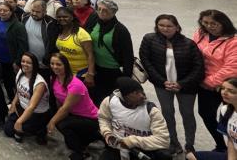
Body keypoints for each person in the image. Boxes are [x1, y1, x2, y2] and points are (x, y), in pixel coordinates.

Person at [139, 14, 205, 156]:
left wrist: (181, 84)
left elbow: (198, 67)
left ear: (177, 27)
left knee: (187, 115)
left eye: (169, 26)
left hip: (186, 87)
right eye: (161, 25)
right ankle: (173, 143)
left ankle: (190, 145)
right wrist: (162, 81)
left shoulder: (188, 44)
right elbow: (146, 61)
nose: (165, 28)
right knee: (167, 113)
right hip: (162, 85)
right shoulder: (149, 39)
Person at [193, 10, 237, 152]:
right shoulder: (200, 33)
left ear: (223, 23)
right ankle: (222, 145)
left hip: (225, 86)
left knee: (228, 116)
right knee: (206, 114)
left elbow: (231, 68)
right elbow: (192, 52)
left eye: (214, 23)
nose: (209, 26)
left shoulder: (233, 41)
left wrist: (207, 82)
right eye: (205, 22)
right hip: (203, 83)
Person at [97, 77, 172, 160]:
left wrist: (131, 141)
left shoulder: (151, 111)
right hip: (117, 147)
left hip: (142, 149)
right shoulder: (109, 101)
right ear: (125, 97)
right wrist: (107, 133)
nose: (142, 96)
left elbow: (163, 140)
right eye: (136, 93)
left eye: (141, 91)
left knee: (165, 155)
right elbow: (103, 119)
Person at [47, 52, 102, 160]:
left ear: (65, 66)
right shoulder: (54, 79)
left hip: (91, 118)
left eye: (58, 64)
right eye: (52, 63)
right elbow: (59, 101)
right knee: (64, 128)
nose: (54, 67)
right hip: (75, 114)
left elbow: (65, 108)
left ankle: (83, 153)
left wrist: (52, 122)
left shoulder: (75, 84)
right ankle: (83, 141)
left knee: (61, 124)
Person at [88, 0, 134, 105]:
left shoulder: (120, 30)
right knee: (97, 99)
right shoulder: (94, 21)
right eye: (99, 9)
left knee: (113, 101)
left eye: (105, 10)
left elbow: (128, 56)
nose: (101, 12)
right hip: (97, 69)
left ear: (113, 13)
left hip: (114, 72)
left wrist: (126, 79)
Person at [185, 76, 237, 160]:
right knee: (190, 156)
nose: (224, 92)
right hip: (233, 154)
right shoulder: (225, 110)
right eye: (223, 88)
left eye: (231, 91)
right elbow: (231, 140)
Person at [5, 52, 51, 144]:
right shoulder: (20, 72)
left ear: (34, 65)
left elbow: (32, 106)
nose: (25, 64)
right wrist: (14, 104)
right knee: (8, 131)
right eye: (23, 61)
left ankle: (40, 129)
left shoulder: (39, 83)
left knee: (21, 128)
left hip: (37, 113)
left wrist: (19, 121)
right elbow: (18, 91)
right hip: (22, 107)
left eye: (28, 63)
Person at [0, 2, 28, 101]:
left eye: (5, 10)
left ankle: (14, 102)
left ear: (11, 12)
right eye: (0, 10)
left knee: (10, 83)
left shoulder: (18, 26)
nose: (2, 12)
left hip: (10, 61)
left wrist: (17, 61)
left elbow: (23, 46)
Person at [55, 6, 96, 87]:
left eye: (65, 16)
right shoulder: (59, 30)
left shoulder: (81, 34)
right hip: (65, 73)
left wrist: (90, 74)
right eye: (59, 17)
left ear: (72, 17)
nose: (62, 19)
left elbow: (90, 55)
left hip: (81, 74)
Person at [24, 0, 59, 70]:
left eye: (38, 12)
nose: (34, 13)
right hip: (27, 62)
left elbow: (52, 44)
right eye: (32, 10)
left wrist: (47, 60)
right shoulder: (24, 18)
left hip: (44, 64)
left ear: (45, 12)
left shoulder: (51, 23)